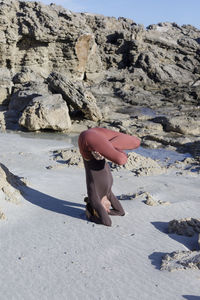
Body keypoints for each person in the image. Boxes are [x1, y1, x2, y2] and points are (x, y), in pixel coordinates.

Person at [78, 127, 140, 226]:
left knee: (121, 160)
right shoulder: (108, 193)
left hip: (87, 141)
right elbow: (120, 212)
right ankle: (106, 146)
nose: (108, 208)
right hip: (98, 134)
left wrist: (90, 216)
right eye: (108, 210)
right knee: (136, 142)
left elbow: (107, 222)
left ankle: (105, 146)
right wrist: (104, 150)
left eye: (104, 209)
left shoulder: (94, 197)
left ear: (97, 207)